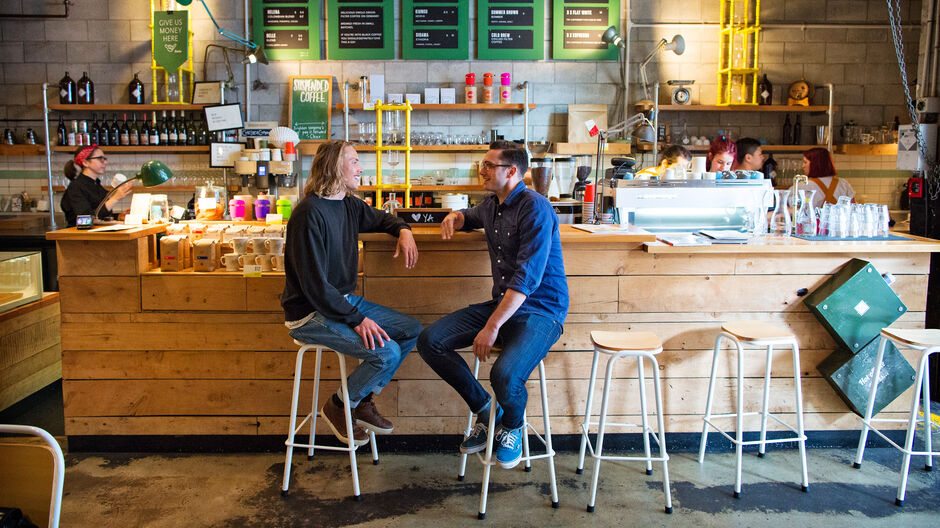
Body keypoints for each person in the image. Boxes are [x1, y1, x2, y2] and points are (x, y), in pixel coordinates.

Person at [417, 141, 568, 469]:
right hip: (502, 303)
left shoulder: (536, 208)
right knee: (430, 341)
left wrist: (492, 326)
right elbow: (469, 216)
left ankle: (513, 425)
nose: (481, 170)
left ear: (511, 171)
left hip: (541, 311)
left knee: (505, 373)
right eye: (482, 164)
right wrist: (455, 216)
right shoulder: (491, 205)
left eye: (488, 165)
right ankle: (487, 411)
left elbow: (526, 281)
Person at [281, 140, 423, 446]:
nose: (361, 168)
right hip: (309, 313)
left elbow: (384, 218)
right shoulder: (309, 214)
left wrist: (404, 230)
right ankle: (340, 405)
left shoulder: (348, 204)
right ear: (334, 166)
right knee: (386, 353)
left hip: (340, 304)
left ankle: (358, 401)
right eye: (355, 161)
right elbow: (315, 287)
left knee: (412, 330)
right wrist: (357, 319)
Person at [60, 145, 131, 227]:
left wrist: (118, 216)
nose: (105, 162)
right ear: (85, 162)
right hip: (79, 237)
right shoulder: (75, 187)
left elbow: (100, 216)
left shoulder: (96, 184)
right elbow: (87, 219)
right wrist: (115, 198)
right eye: (100, 159)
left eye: (104, 159)